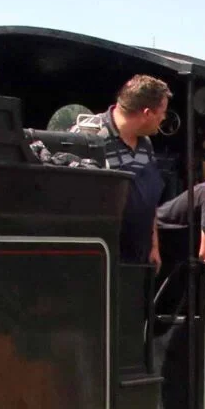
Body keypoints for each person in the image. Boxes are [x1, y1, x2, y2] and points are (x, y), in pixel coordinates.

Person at [79, 75, 170, 266]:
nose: (164, 117)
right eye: (162, 112)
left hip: (139, 254)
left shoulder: (146, 143)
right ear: (147, 113)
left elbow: (149, 200)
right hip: (101, 254)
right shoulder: (88, 135)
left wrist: (154, 246)